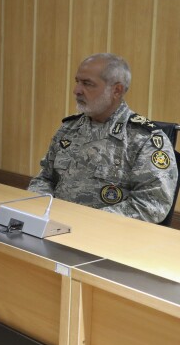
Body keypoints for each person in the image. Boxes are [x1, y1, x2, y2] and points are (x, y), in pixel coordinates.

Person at [29, 53, 177, 223]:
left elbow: (152, 204)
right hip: (55, 226)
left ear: (116, 90)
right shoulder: (69, 128)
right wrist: (39, 208)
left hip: (107, 236)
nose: (76, 90)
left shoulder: (144, 139)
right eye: (77, 81)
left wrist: (87, 222)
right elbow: (44, 178)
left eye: (87, 84)